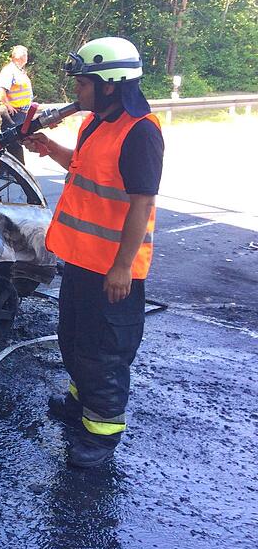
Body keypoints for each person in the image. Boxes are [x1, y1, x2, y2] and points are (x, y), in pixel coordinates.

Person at [23, 37, 164, 469]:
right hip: (81, 260)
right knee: (76, 340)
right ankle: (79, 406)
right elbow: (85, 168)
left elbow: (141, 202)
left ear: (108, 85)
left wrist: (122, 267)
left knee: (105, 351)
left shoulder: (140, 132)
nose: (76, 92)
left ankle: (100, 437)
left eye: (82, 84)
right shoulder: (96, 124)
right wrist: (51, 149)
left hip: (113, 272)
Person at [0, 45, 34, 173]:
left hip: (21, 113)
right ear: (20, 57)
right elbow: (0, 89)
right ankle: (18, 172)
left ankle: (8, 171)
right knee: (14, 141)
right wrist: (7, 104)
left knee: (11, 141)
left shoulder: (19, 70)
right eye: (25, 55)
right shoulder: (9, 70)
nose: (27, 57)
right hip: (14, 113)